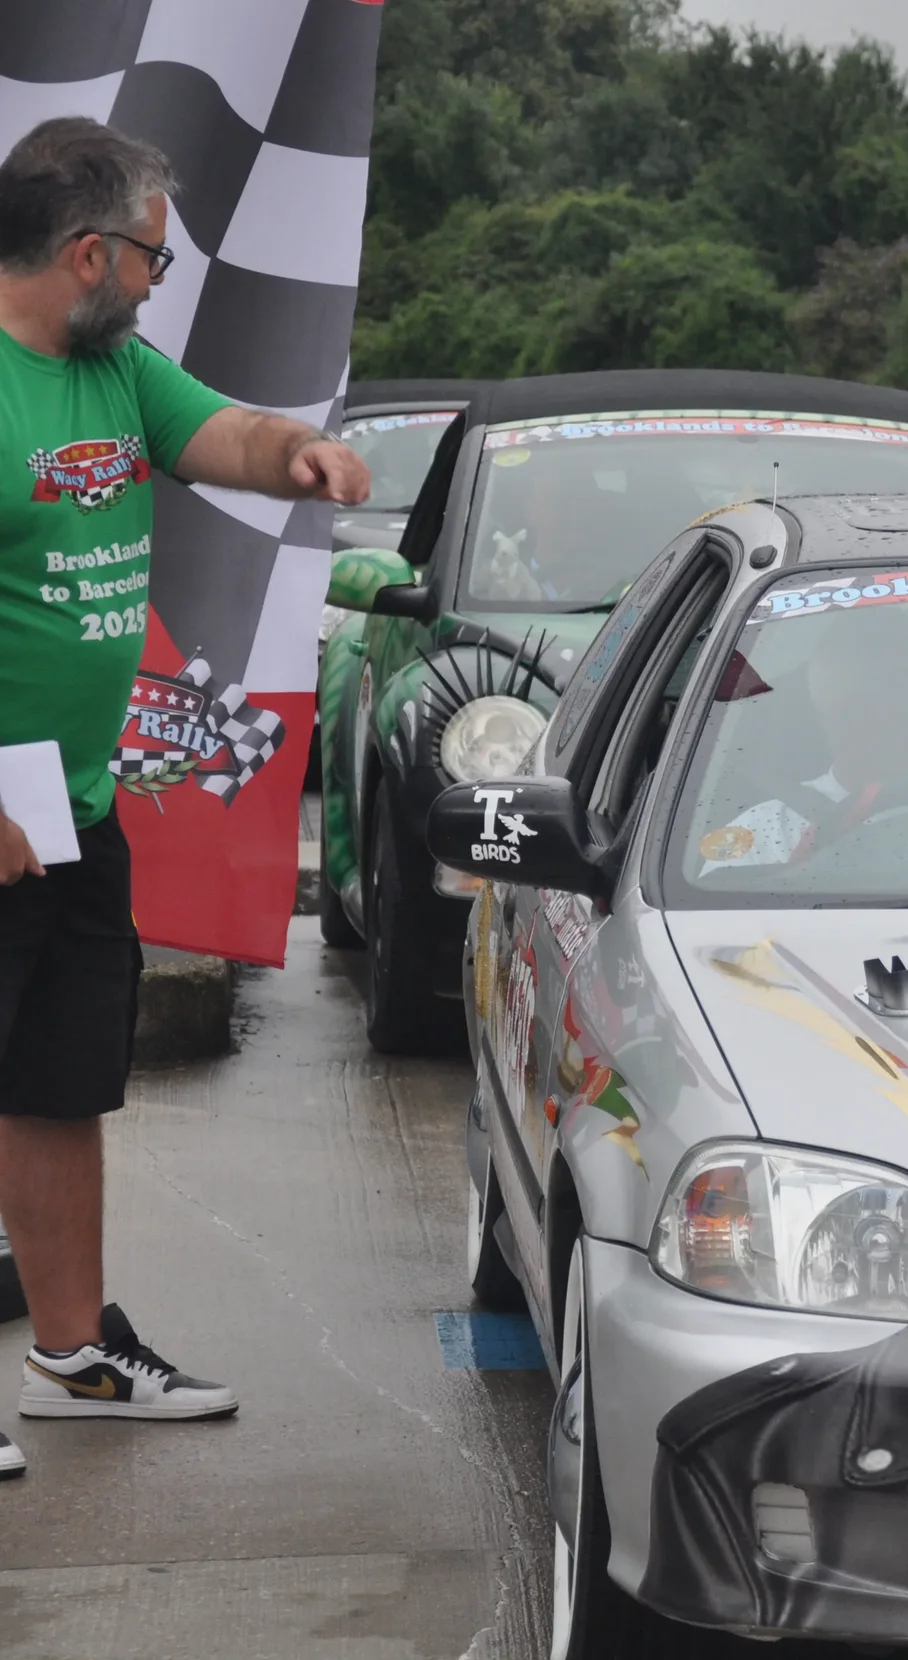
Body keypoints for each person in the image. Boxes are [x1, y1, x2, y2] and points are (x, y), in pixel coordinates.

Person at [0, 119, 372, 1482]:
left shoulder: (115, 369)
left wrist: (298, 456)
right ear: (88, 251)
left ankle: (73, 1354)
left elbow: (222, 431)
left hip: (71, 810)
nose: (160, 280)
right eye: (152, 256)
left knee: (55, 1087)